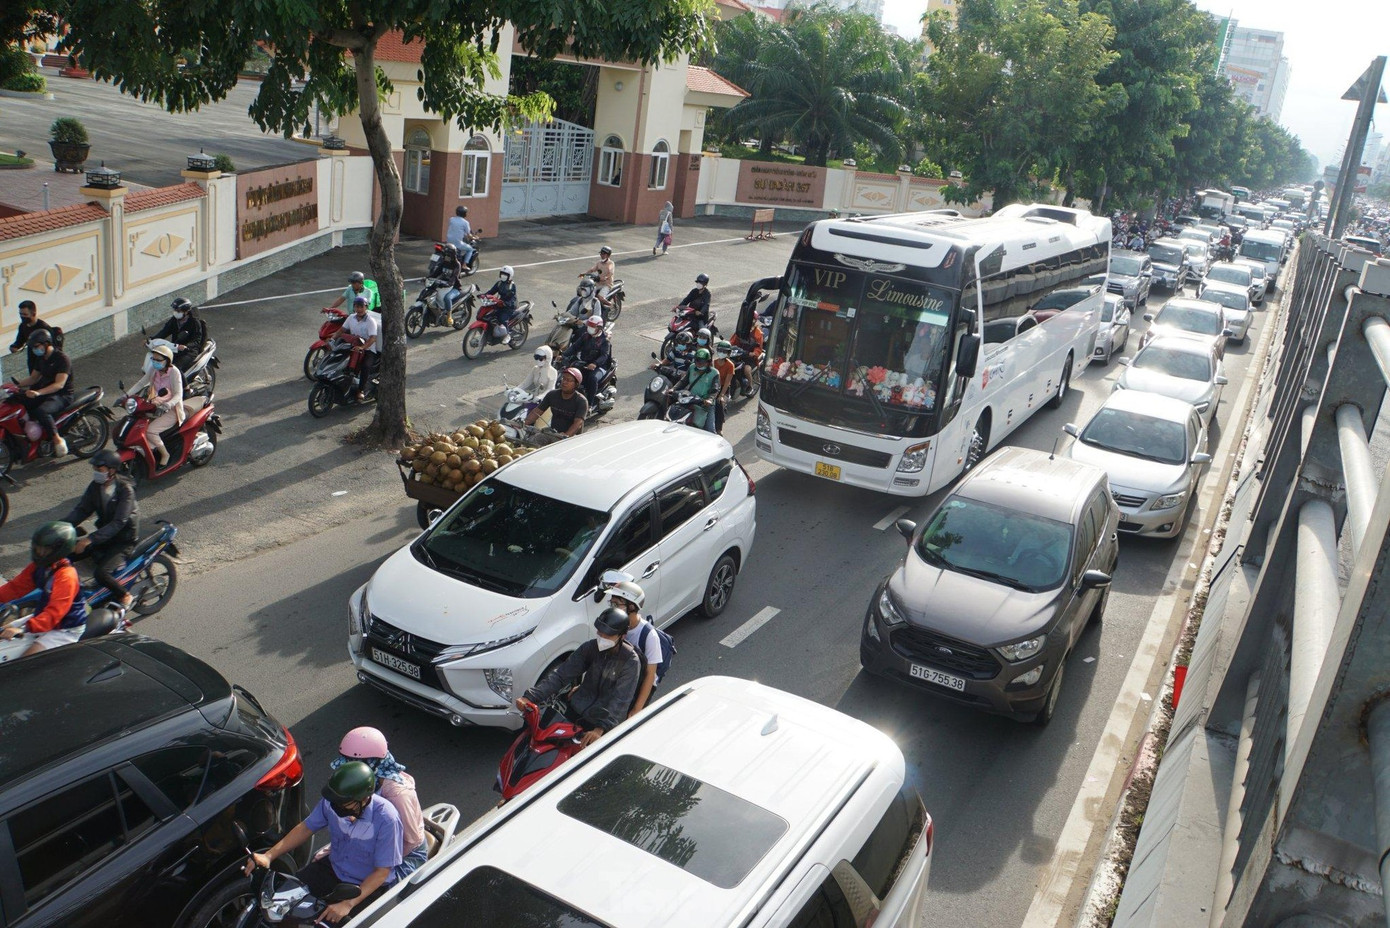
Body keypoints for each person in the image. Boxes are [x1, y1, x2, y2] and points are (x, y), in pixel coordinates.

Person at [244, 762, 402, 924]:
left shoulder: (387, 819)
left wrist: (347, 904)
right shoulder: (332, 802)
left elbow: (381, 872)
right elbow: (306, 828)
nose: (337, 806)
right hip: (332, 869)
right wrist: (269, 855)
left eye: (343, 803)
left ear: (363, 799)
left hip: (364, 885)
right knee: (283, 905)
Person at [516, 607, 640, 747]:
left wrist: (600, 729)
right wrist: (531, 697)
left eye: (608, 635)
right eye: (600, 633)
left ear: (622, 636)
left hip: (601, 723)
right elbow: (561, 675)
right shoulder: (590, 648)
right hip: (575, 711)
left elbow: (620, 700)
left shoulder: (630, 662)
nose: (602, 638)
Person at [333, 728, 428, 881]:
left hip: (406, 855)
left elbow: (411, 841)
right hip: (375, 839)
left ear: (372, 763)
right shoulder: (366, 784)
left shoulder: (397, 795)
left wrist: (371, 860)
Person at [63, 449, 139, 611]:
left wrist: (90, 539)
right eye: (95, 469)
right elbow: (82, 510)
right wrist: (61, 526)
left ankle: (124, 595)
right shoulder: (95, 487)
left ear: (112, 470)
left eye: (100, 469)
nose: (96, 473)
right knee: (66, 556)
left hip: (123, 540)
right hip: (105, 536)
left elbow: (119, 522)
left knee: (101, 574)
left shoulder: (125, 490)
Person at [0, 522, 87, 658]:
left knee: (22, 664)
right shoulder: (39, 566)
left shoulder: (67, 576)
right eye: (37, 548)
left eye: (44, 550)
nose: (39, 553)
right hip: (42, 617)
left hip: (63, 629)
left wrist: (24, 628)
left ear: (59, 550)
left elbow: (54, 614)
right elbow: (14, 588)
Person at [604, 581, 662, 716]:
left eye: (616, 604)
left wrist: (636, 709)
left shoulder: (649, 636)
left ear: (631, 606)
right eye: (611, 603)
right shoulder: (614, 624)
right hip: (619, 677)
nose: (612, 608)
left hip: (637, 686)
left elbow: (650, 675)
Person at [123, 344, 184, 468]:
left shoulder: (174, 372)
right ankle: (150, 451)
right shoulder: (154, 369)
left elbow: (178, 395)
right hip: (155, 405)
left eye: (158, 360)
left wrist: (167, 405)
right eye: (153, 359)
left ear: (167, 361)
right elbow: (142, 382)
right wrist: (126, 396)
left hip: (171, 409)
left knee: (150, 431)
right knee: (138, 426)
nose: (155, 362)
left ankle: (165, 455)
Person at [15, 328, 73, 456]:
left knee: (42, 410)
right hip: (47, 392)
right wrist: (16, 385)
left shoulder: (62, 359)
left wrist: (39, 392)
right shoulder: (41, 359)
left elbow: (59, 384)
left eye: (37, 346)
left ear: (46, 344)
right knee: (22, 402)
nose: (35, 350)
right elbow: (33, 378)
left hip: (62, 395)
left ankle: (57, 439)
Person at [524, 368, 588, 441]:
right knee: (532, 441)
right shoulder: (552, 395)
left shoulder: (581, 401)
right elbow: (537, 412)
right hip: (553, 434)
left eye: (568, 380)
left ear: (576, 384)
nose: (564, 382)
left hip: (571, 439)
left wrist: (566, 435)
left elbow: (578, 424)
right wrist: (524, 423)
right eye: (564, 378)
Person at [563, 315, 612, 404]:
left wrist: (595, 364)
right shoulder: (586, 336)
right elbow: (574, 347)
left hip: (599, 366)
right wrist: (563, 355)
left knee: (592, 379)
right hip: (584, 363)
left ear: (599, 328)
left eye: (592, 327)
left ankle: (589, 404)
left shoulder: (604, 340)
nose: (589, 328)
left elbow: (604, 356)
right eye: (589, 326)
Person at [151, 298, 208, 373]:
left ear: (186, 311)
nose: (175, 313)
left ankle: (185, 385)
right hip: (175, 348)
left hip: (190, 351)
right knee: (162, 362)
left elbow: (197, 340)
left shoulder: (194, 322)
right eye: (175, 310)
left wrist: (186, 346)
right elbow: (165, 331)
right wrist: (151, 339)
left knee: (175, 369)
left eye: (178, 311)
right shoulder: (174, 320)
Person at [340, 295, 380, 402]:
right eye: (357, 307)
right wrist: (332, 339)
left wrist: (362, 347)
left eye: (361, 307)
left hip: (368, 350)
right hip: (353, 347)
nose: (359, 309)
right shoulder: (351, 317)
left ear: (366, 307)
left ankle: (361, 390)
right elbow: (342, 330)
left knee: (365, 367)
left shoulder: (370, 321)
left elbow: (373, 338)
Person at [674, 348, 720, 433]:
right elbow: (683, 381)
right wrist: (673, 389)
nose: (698, 364)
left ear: (708, 362)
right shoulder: (692, 367)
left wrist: (709, 399)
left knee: (710, 430)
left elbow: (715, 389)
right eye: (697, 361)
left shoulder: (714, 373)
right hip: (690, 400)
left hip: (704, 404)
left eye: (701, 362)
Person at [730, 321, 764, 396]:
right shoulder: (741, 330)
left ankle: (750, 386)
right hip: (738, 353)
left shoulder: (758, 333)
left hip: (749, 357)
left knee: (747, 369)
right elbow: (732, 341)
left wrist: (754, 353)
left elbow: (758, 348)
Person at [433, 243, 463, 325]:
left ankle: (449, 316)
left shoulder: (457, 265)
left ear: (452, 255)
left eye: (448, 255)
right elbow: (436, 272)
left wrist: (449, 283)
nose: (446, 257)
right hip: (444, 285)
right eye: (445, 255)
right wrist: (428, 277)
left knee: (447, 298)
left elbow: (454, 277)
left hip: (455, 287)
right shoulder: (444, 262)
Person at [484, 266, 518, 339]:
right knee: (490, 315)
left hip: (509, 306)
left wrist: (504, 303)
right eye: (502, 274)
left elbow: (511, 298)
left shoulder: (512, 286)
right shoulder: (499, 283)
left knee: (502, 319)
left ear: (510, 276)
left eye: (505, 275)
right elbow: (491, 291)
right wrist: (484, 295)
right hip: (500, 304)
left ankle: (507, 335)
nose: (503, 276)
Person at [711, 340, 737, 435]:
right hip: (714, 387)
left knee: (719, 403)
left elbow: (727, 382)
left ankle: (719, 428)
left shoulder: (730, 365)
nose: (722, 353)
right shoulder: (713, 362)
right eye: (720, 350)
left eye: (724, 351)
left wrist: (721, 395)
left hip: (723, 389)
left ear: (728, 353)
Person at [583, 246, 616, 311]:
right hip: (598, 283)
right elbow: (592, 269)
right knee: (589, 293)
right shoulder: (599, 263)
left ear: (608, 255)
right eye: (601, 253)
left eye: (603, 254)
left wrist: (605, 277)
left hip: (607, 284)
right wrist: (584, 273)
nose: (601, 255)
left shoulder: (611, 263)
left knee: (600, 297)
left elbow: (610, 273)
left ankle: (611, 306)